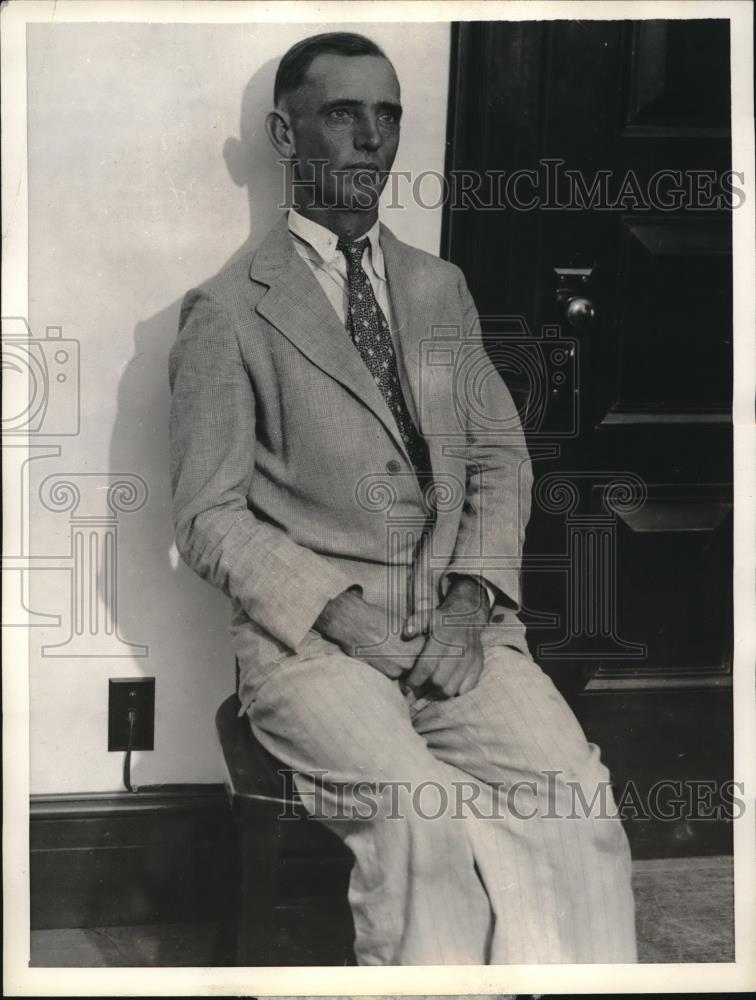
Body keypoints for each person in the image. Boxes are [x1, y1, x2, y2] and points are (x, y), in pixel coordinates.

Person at [169, 31, 637, 965]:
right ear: (285, 132)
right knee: (420, 828)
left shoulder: (438, 286)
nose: (371, 139)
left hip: (457, 633)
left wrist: (469, 608)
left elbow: (501, 459)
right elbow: (206, 517)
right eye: (342, 114)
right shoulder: (227, 310)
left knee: (574, 799)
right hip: (314, 650)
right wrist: (343, 617)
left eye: (388, 117)